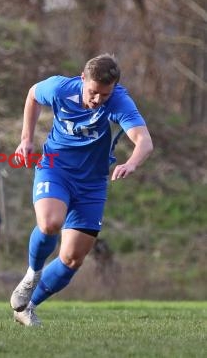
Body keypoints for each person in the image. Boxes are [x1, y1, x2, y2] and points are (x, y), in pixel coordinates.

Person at [10, 53, 153, 326]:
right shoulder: (60, 89)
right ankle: (32, 275)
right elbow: (32, 95)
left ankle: (26, 307)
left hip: (93, 182)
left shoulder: (119, 101)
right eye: (93, 92)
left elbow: (144, 140)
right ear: (82, 79)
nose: (98, 99)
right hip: (56, 168)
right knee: (51, 223)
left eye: (105, 94)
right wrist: (26, 139)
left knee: (73, 258)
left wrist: (132, 163)